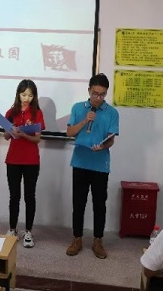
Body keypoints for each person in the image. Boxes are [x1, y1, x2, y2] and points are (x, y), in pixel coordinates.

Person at [65, 73, 119, 259]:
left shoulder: (112, 113)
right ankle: (77, 239)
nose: (98, 98)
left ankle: (98, 240)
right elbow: (69, 132)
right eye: (95, 93)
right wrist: (84, 121)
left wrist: (103, 146)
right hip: (80, 162)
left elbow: (111, 139)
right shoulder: (78, 108)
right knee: (78, 203)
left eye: (102, 94)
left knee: (99, 204)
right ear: (89, 91)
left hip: (100, 165)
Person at [3, 79, 45, 248]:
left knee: (29, 196)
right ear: (18, 94)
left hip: (31, 160)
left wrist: (24, 135)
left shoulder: (37, 113)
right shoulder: (11, 112)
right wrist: (11, 130)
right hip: (13, 159)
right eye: (24, 94)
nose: (27, 98)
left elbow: (37, 139)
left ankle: (28, 231)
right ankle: (12, 229)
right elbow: (6, 136)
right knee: (14, 196)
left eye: (30, 95)